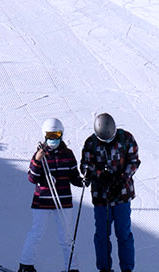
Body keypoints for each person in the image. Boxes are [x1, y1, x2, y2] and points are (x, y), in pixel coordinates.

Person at [18, 117, 83, 272]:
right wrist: (37, 160)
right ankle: (25, 265)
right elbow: (32, 178)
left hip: (63, 201)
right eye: (50, 136)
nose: (54, 139)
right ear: (44, 135)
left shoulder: (68, 154)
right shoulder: (40, 155)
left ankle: (72, 268)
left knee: (66, 237)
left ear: (62, 135)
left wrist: (82, 181)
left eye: (57, 135)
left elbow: (73, 176)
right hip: (42, 202)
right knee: (36, 233)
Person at [80, 113, 140, 272]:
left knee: (124, 234)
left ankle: (127, 268)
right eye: (103, 141)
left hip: (122, 195)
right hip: (102, 197)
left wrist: (122, 178)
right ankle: (104, 268)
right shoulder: (91, 143)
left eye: (110, 139)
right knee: (101, 235)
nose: (107, 143)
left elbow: (134, 161)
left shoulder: (126, 139)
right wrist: (98, 175)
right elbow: (85, 165)